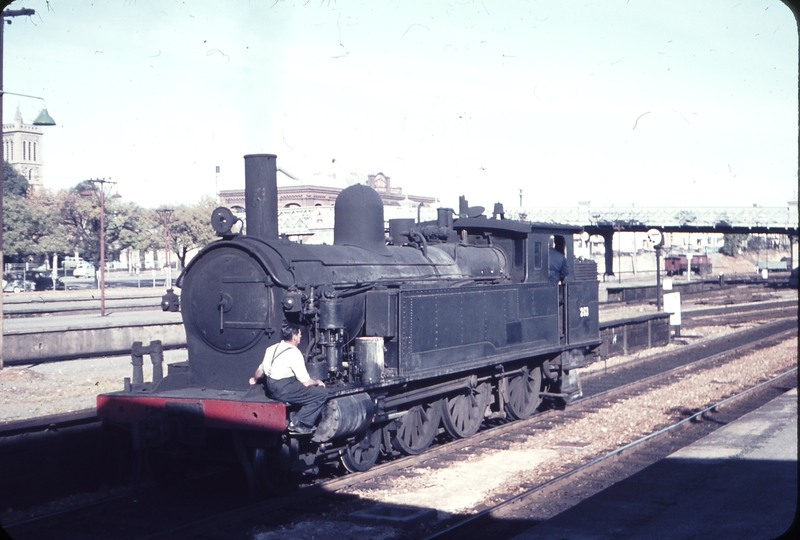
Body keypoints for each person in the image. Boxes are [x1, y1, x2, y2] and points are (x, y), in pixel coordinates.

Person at [250, 323, 327, 435]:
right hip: (284, 388)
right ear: (294, 336)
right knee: (321, 394)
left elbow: (260, 370)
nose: (301, 337)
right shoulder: (294, 353)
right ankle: (298, 422)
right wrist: (317, 382)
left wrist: (255, 379)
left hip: (271, 388)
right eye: (300, 334)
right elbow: (306, 382)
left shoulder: (271, 348)